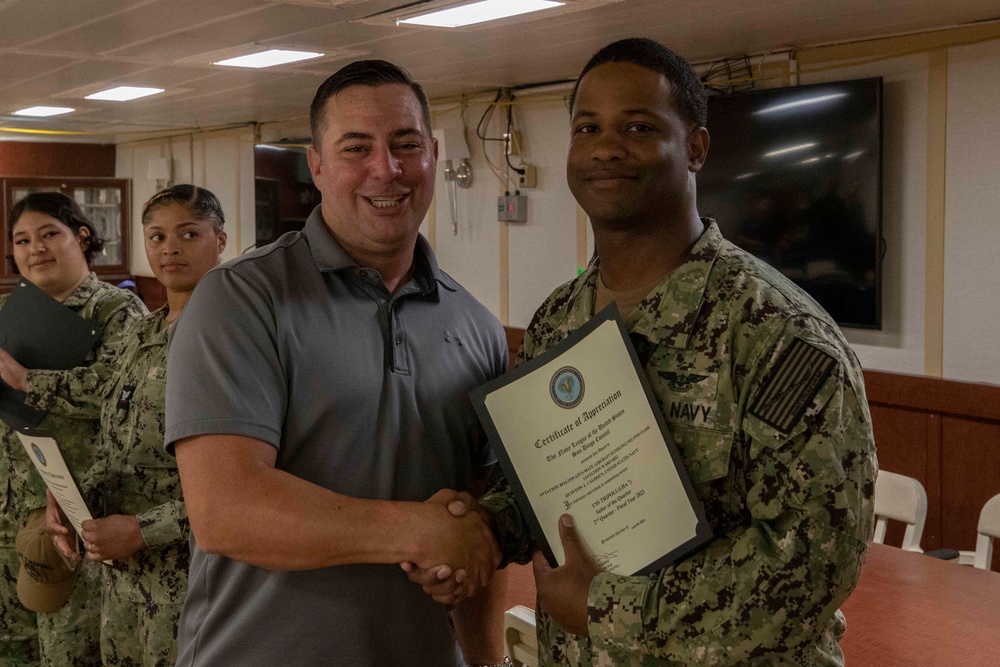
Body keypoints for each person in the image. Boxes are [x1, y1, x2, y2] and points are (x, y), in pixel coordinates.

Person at [414, 38, 877, 666]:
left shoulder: (777, 332)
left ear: (696, 148)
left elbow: (815, 565)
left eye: (638, 126)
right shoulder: (558, 319)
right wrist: (483, 531)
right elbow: (555, 490)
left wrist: (609, 610)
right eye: (587, 127)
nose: (606, 146)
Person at [163, 60, 509, 666]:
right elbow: (226, 509)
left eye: (406, 145)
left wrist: (487, 659)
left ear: (432, 155)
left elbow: (476, 526)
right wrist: (415, 530)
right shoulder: (243, 299)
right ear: (316, 165)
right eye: (357, 148)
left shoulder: (475, 326)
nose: (387, 168)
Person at [46, 185, 228, 666]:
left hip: (193, 574)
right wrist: (72, 499)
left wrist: (143, 530)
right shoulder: (142, 331)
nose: (170, 248)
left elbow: (240, 486)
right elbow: (114, 435)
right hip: (125, 577)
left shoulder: (233, 337)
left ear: (221, 240)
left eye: (188, 234)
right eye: (157, 236)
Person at [0, 192, 146, 665]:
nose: (35, 249)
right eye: (22, 240)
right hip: (8, 505)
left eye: (48, 235)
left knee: (67, 648)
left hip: (71, 515)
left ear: (81, 237)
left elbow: (122, 394)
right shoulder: (10, 312)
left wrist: (29, 380)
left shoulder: (116, 312)